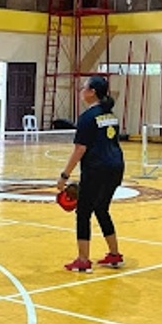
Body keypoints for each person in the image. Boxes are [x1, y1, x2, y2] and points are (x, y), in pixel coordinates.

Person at [56, 76, 125, 272]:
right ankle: (114, 255)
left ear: (92, 91)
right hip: (116, 167)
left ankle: (83, 260)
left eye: (84, 87)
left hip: (97, 169)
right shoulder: (110, 115)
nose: (81, 90)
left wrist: (64, 176)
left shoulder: (87, 118)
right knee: (102, 209)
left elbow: (80, 149)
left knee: (83, 212)